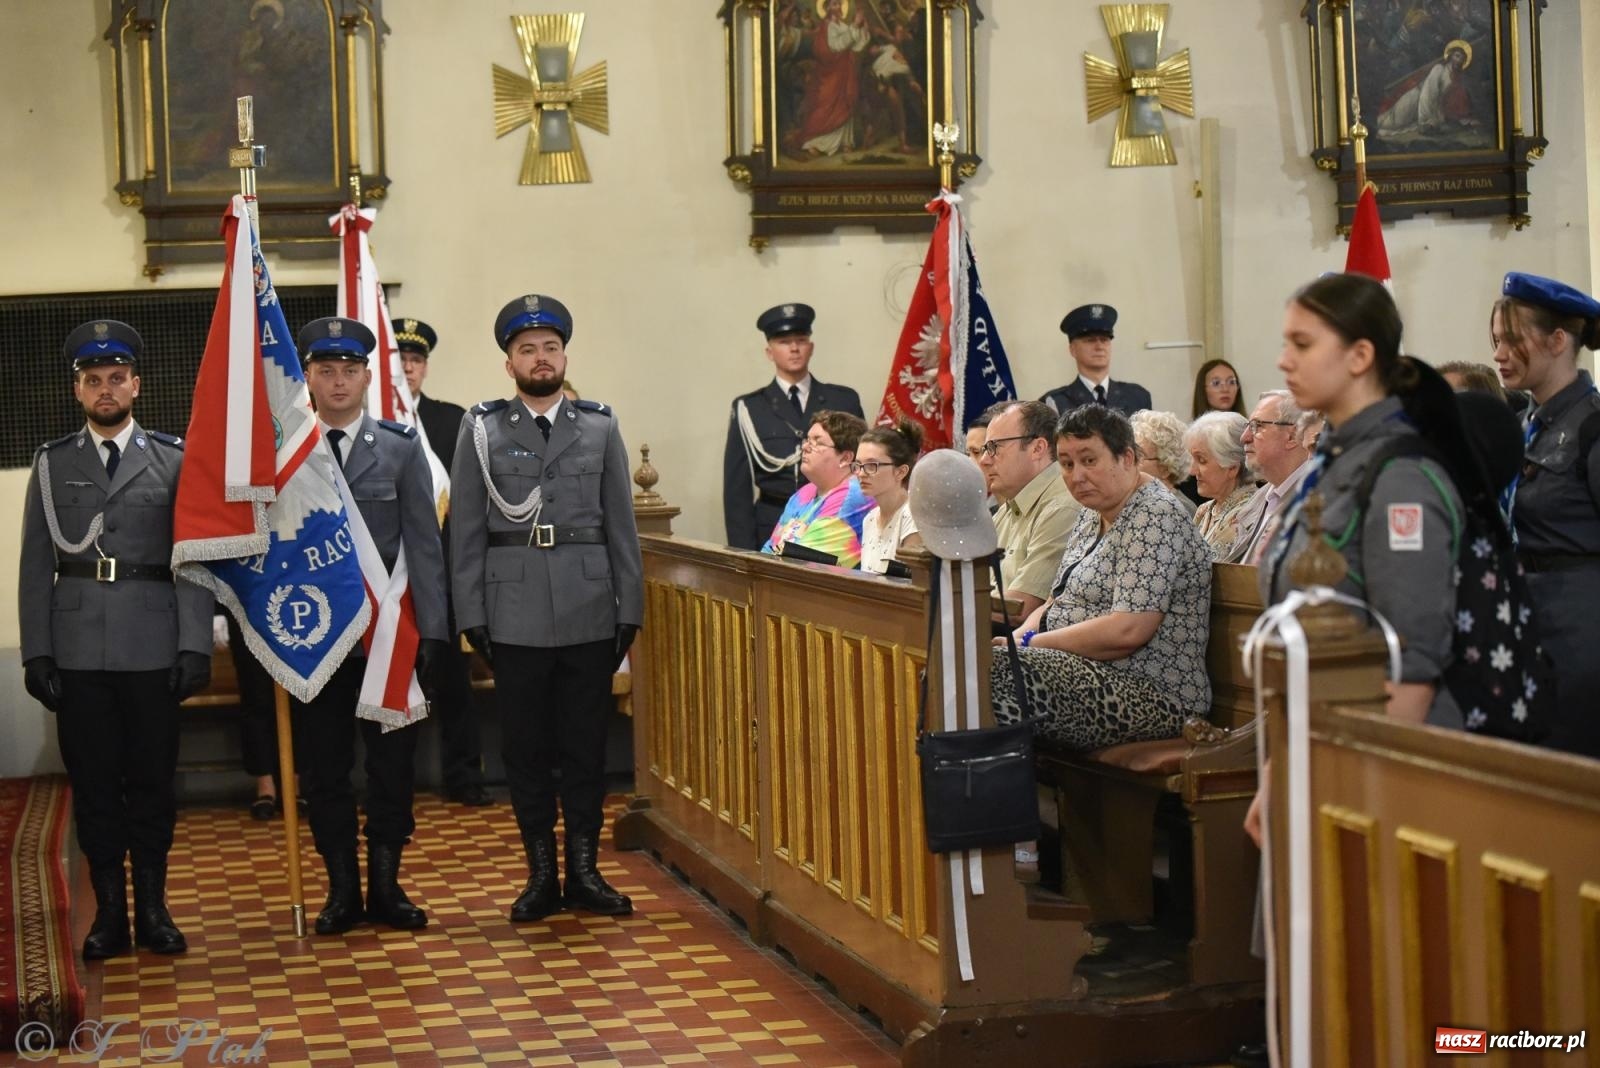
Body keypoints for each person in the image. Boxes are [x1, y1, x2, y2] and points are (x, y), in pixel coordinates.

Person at [19, 319, 214, 960]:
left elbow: (192, 557)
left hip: (153, 644)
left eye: (116, 378)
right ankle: (110, 916)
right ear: (77, 391)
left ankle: (154, 910)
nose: (106, 389)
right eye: (92, 380)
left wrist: (194, 645)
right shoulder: (51, 465)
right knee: (96, 783)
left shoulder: (174, 458)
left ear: (136, 384)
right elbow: (33, 564)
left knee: (154, 783)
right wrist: (38, 651)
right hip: (77, 650)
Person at [450, 294, 644, 920]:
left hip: (590, 605)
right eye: (527, 349)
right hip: (514, 612)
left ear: (564, 355)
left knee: (586, 747)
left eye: (550, 347)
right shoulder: (480, 430)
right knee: (527, 749)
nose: (540, 358)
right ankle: (540, 875)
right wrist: (469, 610)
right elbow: (467, 530)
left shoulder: (599, 425)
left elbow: (622, 524)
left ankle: (585, 871)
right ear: (509, 364)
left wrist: (630, 607)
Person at [294, 316, 447, 936]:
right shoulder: (288, 452)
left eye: (350, 370)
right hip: (316, 642)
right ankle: (340, 891)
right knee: (325, 771)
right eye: (325, 370)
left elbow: (424, 544)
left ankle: (386, 885)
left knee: (391, 770)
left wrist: (434, 630)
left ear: (366, 376)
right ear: (307, 375)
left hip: (390, 639)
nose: (338, 381)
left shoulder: (401, 446)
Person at [1260, 273, 1466, 730]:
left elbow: (1409, 665)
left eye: (1302, 344)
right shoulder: (1336, 459)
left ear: (1360, 356)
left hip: (1378, 746)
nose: (1283, 361)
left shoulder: (1400, 477)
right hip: (1313, 731)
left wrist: (1347, 787)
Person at [989, 405, 1214, 750]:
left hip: (1149, 693)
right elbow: (1055, 602)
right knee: (965, 668)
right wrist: (1018, 637)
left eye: (1089, 460)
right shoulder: (1091, 514)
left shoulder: (1153, 514)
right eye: (1066, 464)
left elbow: (1128, 630)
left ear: (1127, 457)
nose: (1076, 475)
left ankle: (1000, 801)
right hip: (1084, 672)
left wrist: (1029, 645)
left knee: (997, 675)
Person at [1492, 272, 1600, 758]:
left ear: (1558, 341)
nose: (1499, 355)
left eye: (1513, 341)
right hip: (1521, 621)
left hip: (1580, 632)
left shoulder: (1592, 427)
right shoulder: (1517, 428)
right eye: (1496, 341)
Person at [393, 316, 491, 807]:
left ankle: (464, 777)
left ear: (426, 367)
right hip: (390, 575)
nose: (408, 368)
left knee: (456, 685)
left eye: (415, 360)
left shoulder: (454, 420)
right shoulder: (375, 424)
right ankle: (393, 783)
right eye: (400, 360)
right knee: (393, 684)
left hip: (446, 574)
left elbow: (471, 501)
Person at [724, 303, 864, 550]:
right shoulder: (750, 408)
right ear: (769, 352)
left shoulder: (842, 400)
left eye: (800, 340)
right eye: (784, 342)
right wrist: (742, 554)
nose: (794, 348)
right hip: (771, 523)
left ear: (811, 347)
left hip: (836, 520)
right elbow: (737, 491)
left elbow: (861, 466)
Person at [980, 401, 1081, 623]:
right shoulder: (1007, 508)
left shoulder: (1062, 506)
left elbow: (1022, 608)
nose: (984, 460)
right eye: (986, 449)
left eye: (994, 447)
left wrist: (948, 604)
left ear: (1037, 448)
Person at [763, 410, 873, 568]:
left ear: (845, 458)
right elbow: (769, 551)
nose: (806, 447)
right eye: (807, 440)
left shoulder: (856, 496)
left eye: (818, 443)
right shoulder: (803, 494)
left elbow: (806, 563)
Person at [1228, 390, 1314, 565]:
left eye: (1257, 426)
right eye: (1248, 425)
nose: (1244, 437)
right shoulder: (1261, 498)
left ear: (1292, 436)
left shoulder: (1313, 499)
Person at [787, 0, 871, 157]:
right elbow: (837, 45)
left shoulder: (842, 25)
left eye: (839, 4)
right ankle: (815, 142)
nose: (837, 7)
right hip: (830, 74)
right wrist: (854, 25)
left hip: (844, 72)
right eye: (833, 4)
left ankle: (844, 142)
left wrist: (862, 29)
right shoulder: (827, 26)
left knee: (845, 102)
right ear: (826, 8)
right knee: (826, 105)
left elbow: (855, 45)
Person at [1039, 304, 1153, 417]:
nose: (1099, 346)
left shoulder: (1138, 397)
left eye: (1104, 340)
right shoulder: (1055, 403)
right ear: (1072, 349)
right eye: (1090, 340)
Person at [855, 418, 924, 574]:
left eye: (871, 465)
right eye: (858, 465)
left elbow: (914, 584)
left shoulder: (914, 515)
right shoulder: (870, 519)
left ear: (901, 472)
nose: (861, 473)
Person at [1186, 411, 1256, 560]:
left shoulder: (1250, 512)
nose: (1192, 471)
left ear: (1232, 467)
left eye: (1201, 460)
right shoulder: (1204, 510)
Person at [1129, 409, 1195, 515]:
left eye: (1140, 456)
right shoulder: (1136, 500)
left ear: (1165, 468)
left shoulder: (1177, 508)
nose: (1130, 462)